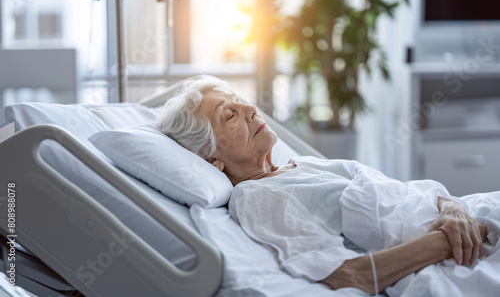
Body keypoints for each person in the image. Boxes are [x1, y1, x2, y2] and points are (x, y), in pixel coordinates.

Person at [156, 76, 490, 295]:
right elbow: (352, 275)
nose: (250, 108)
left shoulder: (297, 166)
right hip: (457, 256)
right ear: (212, 159)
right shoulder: (258, 197)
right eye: (229, 115)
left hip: (465, 219)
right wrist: (447, 241)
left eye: (239, 101)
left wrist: (454, 208)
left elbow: (401, 193)